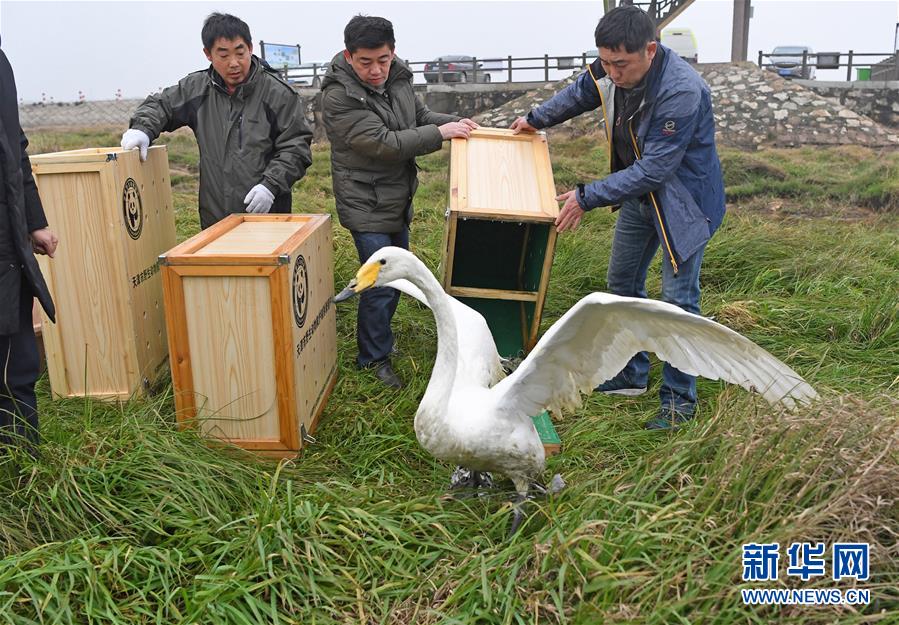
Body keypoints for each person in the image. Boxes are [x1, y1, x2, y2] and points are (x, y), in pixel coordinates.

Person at [511, 5, 726, 430]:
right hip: (639, 198)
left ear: (651, 50)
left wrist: (585, 197)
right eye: (605, 62)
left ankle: (678, 403)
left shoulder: (682, 90)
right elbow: (582, 91)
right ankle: (632, 373)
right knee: (622, 285)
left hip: (683, 205)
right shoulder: (613, 67)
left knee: (678, 303)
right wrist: (534, 120)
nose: (612, 73)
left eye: (620, 64)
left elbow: (656, 169)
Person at [321, 15, 478, 389]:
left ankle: (379, 341)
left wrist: (458, 123)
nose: (376, 70)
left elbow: (418, 116)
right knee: (379, 284)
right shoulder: (339, 97)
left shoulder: (398, 77)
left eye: (383, 60)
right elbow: (384, 143)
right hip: (365, 203)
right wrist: (440, 133)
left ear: (393, 52)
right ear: (349, 56)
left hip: (396, 198)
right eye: (366, 62)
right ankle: (372, 360)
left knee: (397, 278)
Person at [121, 13, 313, 230]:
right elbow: (161, 105)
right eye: (223, 55)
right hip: (215, 218)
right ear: (208, 54)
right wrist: (142, 129)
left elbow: (296, 146)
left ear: (250, 48)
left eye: (240, 53)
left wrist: (270, 185)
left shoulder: (277, 93)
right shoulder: (197, 89)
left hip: (266, 214)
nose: (234, 63)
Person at [1, 41, 58, 455]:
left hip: (6, 242)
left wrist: (34, 221)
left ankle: (23, 465)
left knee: (16, 366)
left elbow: (14, 145)